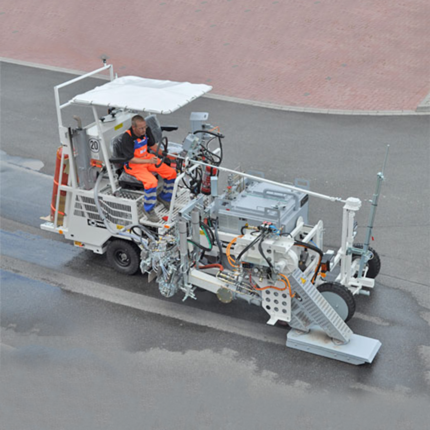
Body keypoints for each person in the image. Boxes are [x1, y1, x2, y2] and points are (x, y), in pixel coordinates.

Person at [121, 115, 177, 222]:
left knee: (171, 173)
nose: (144, 130)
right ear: (133, 127)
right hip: (134, 165)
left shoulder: (146, 130)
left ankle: (165, 197)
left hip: (147, 158)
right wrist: (149, 161)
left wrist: (167, 155)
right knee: (151, 182)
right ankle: (147, 208)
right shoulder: (127, 137)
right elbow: (131, 159)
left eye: (145, 127)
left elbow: (153, 146)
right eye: (141, 128)